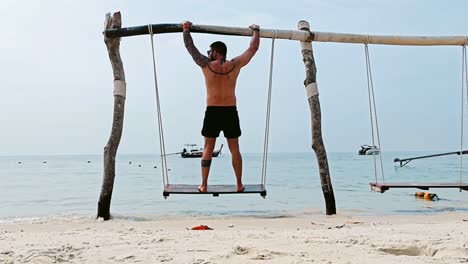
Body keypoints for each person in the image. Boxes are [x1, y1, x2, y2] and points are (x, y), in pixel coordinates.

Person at [182, 21, 260, 193]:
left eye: (210, 51)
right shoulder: (235, 64)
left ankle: (203, 185)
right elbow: (253, 49)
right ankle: (239, 184)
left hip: (213, 111)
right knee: (235, 149)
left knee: (208, 148)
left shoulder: (206, 65)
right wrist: (256, 30)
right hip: (230, 111)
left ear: (216, 52)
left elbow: (190, 47)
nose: (208, 54)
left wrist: (186, 29)